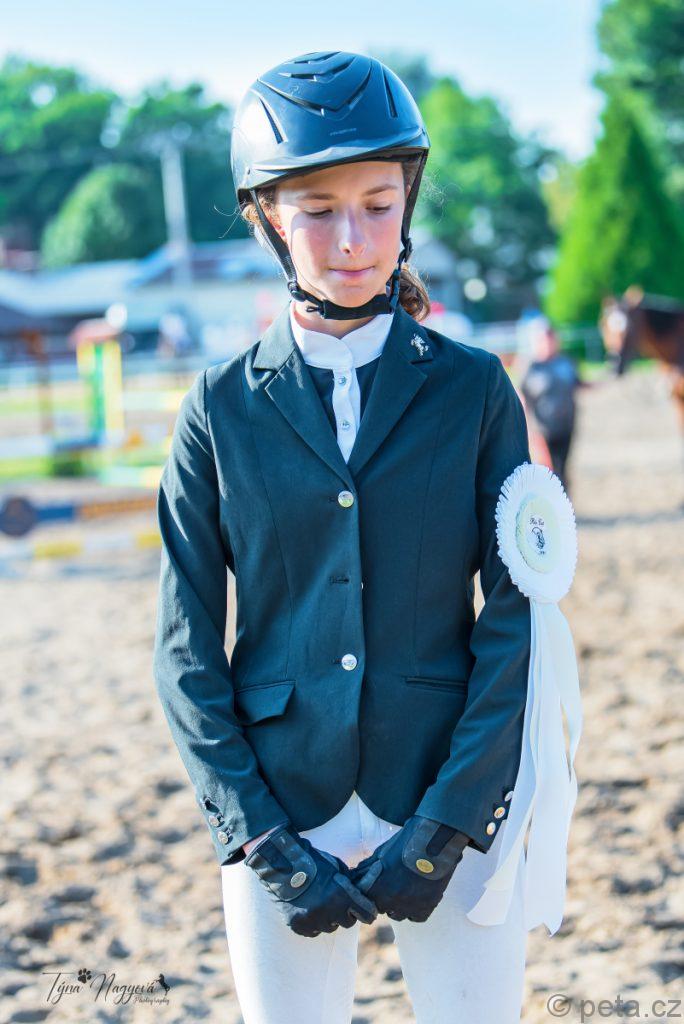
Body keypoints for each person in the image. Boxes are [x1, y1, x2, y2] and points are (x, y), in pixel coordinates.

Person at [153, 51, 533, 1023]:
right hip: (282, 803)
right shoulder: (217, 409)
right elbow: (185, 650)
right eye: (317, 210)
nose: (353, 238)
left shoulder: (475, 389)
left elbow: (515, 617)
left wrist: (452, 819)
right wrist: (258, 838)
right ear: (266, 218)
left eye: (377, 203)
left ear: (409, 201)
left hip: (443, 788)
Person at [518, 317, 584, 495]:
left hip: (566, 426)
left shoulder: (566, 362)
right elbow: (521, 396)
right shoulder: (530, 367)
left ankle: (566, 503)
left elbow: (579, 384)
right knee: (549, 470)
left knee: (563, 467)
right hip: (542, 429)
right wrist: (530, 428)